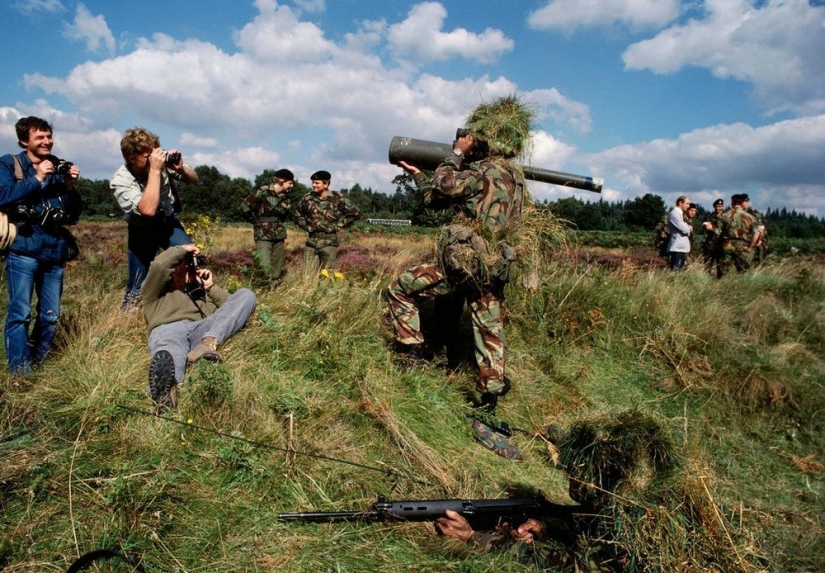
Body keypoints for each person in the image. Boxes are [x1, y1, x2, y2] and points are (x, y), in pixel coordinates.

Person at [387, 95, 533, 461]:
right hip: (492, 267)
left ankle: (411, 352)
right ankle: (488, 401)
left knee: (400, 288)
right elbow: (437, 198)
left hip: (463, 265)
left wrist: (455, 153)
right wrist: (418, 174)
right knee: (489, 332)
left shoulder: (481, 171)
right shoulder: (514, 178)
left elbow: (446, 184)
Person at [0, 116, 83, 375]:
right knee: (20, 313)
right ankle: (20, 371)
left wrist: (69, 186)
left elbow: (74, 213)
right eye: (40, 137)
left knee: (50, 314)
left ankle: (42, 366)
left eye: (49, 136)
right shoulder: (10, 164)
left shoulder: (57, 166)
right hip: (24, 246)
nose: (47, 141)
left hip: (54, 249)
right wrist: (37, 178)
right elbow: (3, 195)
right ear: (24, 141)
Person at [141, 245, 257, 411]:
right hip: (168, 329)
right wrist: (182, 249)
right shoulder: (156, 292)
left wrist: (210, 288)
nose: (193, 269)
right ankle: (166, 392)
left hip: (201, 332)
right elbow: (159, 266)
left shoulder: (202, 300)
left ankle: (207, 344)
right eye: (187, 265)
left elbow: (234, 311)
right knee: (169, 355)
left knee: (247, 294)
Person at [111, 127, 199, 311]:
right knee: (137, 281)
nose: (154, 158)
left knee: (189, 259)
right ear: (132, 158)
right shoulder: (121, 180)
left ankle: (191, 304)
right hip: (141, 229)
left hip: (168, 223)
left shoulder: (160, 163)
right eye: (147, 155)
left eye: (155, 152)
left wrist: (181, 168)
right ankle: (127, 318)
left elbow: (194, 179)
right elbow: (148, 210)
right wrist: (155, 171)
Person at [292, 170, 361, 277]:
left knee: (327, 275)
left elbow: (355, 213)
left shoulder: (338, 198)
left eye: (317, 183)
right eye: (313, 182)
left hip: (329, 242)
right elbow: (297, 214)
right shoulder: (308, 198)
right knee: (306, 275)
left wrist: (339, 225)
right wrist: (307, 227)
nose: (313, 185)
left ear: (326, 184)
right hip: (311, 242)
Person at [240, 168, 295, 287]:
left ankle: (274, 289)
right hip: (263, 235)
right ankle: (262, 287)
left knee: (277, 266)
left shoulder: (286, 198)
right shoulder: (263, 191)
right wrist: (255, 221)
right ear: (282, 181)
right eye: (290, 183)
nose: (292, 186)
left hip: (279, 235)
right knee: (263, 264)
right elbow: (245, 206)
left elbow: (284, 217)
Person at [716, 194, 758, 277]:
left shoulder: (723, 216)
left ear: (732, 203)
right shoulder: (750, 217)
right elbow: (756, 233)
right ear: (742, 203)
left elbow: (717, 233)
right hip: (743, 246)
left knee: (725, 272)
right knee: (744, 272)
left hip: (727, 245)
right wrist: (750, 246)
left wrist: (719, 244)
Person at [665, 196, 692, 270]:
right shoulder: (675, 214)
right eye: (687, 204)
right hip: (677, 247)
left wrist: (687, 227)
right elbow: (685, 229)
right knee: (676, 270)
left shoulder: (680, 214)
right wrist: (689, 227)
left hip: (681, 247)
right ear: (680, 203)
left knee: (679, 270)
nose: (688, 206)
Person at [701, 198, 725, 275]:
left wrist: (713, 228)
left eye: (720, 206)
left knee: (721, 265)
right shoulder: (709, 216)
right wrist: (717, 230)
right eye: (716, 206)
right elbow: (707, 227)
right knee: (708, 264)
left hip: (722, 244)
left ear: (722, 206)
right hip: (710, 244)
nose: (718, 208)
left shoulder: (726, 217)